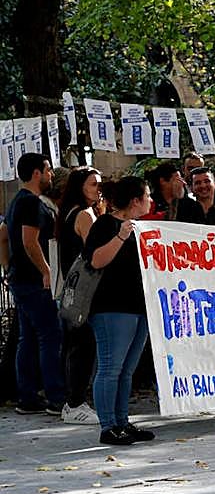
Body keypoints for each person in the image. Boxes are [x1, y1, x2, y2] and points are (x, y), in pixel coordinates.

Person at [84, 176, 155, 446]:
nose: (150, 200)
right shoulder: (105, 224)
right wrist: (121, 236)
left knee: (127, 370)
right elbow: (96, 259)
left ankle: (122, 421)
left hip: (137, 307)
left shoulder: (140, 227)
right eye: (147, 196)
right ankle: (108, 425)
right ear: (135, 200)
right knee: (111, 367)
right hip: (112, 308)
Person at [5, 153, 67, 415]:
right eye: (48, 170)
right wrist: (46, 271)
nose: (51, 175)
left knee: (28, 339)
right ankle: (55, 397)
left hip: (22, 279)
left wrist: (9, 267)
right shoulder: (30, 203)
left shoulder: (17, 202)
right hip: (34, 281)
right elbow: (29, 241)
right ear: (36, 173)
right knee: (50, 336)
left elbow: (2, 237)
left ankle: (27, 396)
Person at [55, 167, 104, 424]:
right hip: (86, 289)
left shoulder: (69, 213)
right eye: (93, 184)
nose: (98, 189)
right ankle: (75, 402)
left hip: (72, 289)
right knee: (84, 346)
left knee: (77, 345)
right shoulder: (84, 215)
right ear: (80, 187)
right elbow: (95, 249)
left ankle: (74, 400)